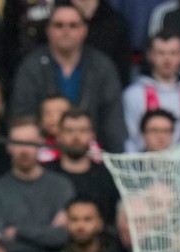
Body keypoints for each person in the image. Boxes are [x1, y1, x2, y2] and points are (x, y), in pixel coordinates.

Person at [9, 3, 125, 153]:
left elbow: (113, 121)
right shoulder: (31, 66)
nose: (66, 31)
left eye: (73, 25)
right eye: (59, 25)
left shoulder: (102, 67)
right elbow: (23, 116)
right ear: (48, 30)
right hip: (44, 152)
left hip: (92, 154)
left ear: (84, 30)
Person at [0, 117, 74, 252]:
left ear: (41, 143)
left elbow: (62, 238)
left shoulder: (61, 186)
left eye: (30, 142)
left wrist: (17, 232)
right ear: (9, 146)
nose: (24, 149)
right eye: (18, 143)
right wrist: (46, 235)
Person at [122, 33, 180, 151]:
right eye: (161, 53)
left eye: (173, 53)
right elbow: (130, 140)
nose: (167, 59)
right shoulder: (133, 95)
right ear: (150, 55)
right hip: (146, 166)